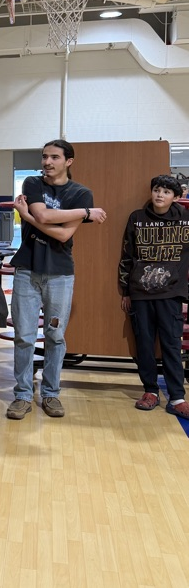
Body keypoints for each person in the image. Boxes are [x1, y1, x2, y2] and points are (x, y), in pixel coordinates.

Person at [7, 139, 106, 420]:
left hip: (60, 275)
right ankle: (22, 395)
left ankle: (51, 394)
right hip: (27, 270)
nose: (47, 162)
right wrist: (86, 214)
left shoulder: (81, 192)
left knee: (55, 336)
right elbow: (43, 214)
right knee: (24, 337)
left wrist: (25, 215)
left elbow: (63, 234)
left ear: (69, 161)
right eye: (44, 157)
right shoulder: (33, 183)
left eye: (54, 157)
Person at [118, 173, 189, 419]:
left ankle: (177, 398)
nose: (160, 195)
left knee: (171, 344)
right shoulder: (137, 219)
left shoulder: (186, 220)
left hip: (172, 293)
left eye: (166, 192)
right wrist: (126, 290)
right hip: (140, 293)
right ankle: (150, 391)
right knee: (145, 345)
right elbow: (127, 255)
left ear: (177, 197)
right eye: (157, 189)